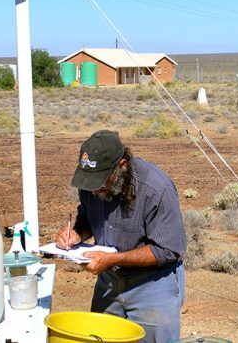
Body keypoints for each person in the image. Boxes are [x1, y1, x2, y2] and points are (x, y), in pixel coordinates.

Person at [56, 130, 187, 343]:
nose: (95, 190)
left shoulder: (156, 188)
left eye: (101, 183)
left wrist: (112, 259)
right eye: (90, 183)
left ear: (122, 165)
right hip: (110, 280)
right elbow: (87, 215)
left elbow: (167, 250)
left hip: (153, 284)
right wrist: (76, 233)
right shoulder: (91, 185)